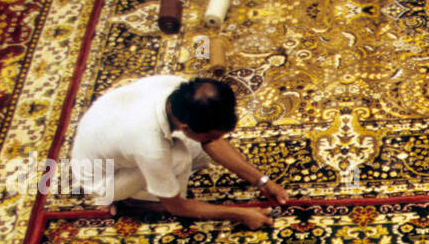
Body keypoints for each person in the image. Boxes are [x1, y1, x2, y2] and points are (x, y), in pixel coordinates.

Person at [70, 75, 289, 228]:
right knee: (180, 157)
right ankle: (135, 203)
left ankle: (152, 186)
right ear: (186, 128)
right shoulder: (150, 146)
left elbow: (211, 144)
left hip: (108, 137)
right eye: (211, 136)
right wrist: (240, 214)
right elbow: (178, 207)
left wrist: (262, 181)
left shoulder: (177, 90)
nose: (216, 140)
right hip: (105, 180)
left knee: (201, 156)